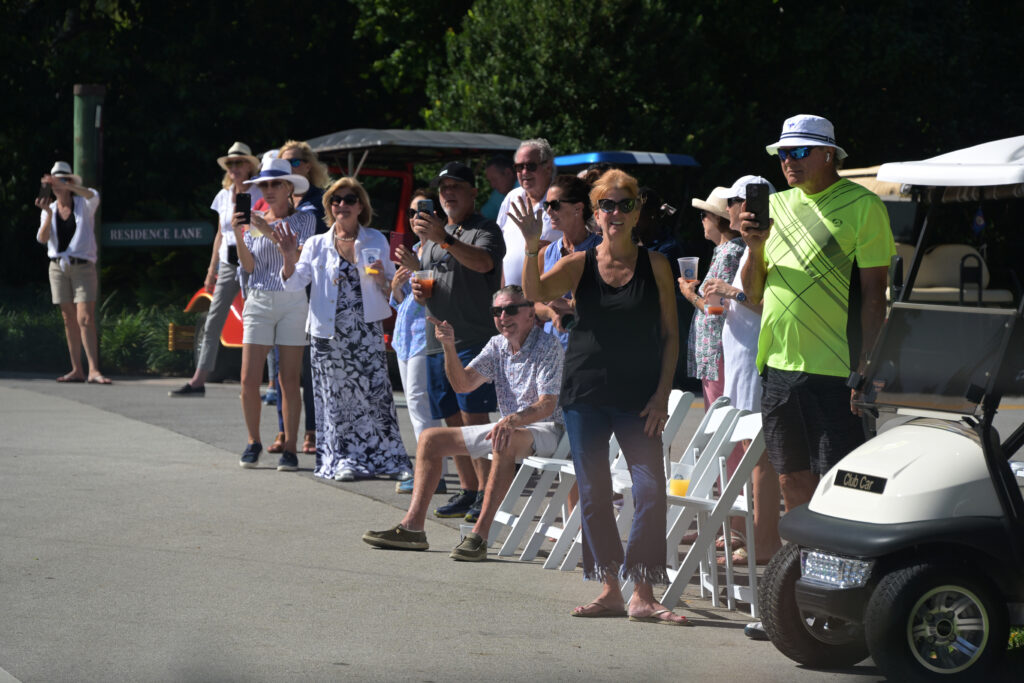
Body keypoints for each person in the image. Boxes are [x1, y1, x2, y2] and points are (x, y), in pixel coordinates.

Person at [515, 169, 691, 625]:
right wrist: (534, 245)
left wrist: (661, 397)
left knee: (652, 491)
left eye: (624, 204)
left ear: (637, 211)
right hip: (585, 393)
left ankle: (644, 593)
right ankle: (613, 590)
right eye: (607, 205)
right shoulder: (580, 262)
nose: (616, 213)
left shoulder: (656, 265)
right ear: (596, 214)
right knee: (593, 493)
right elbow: (534, 292)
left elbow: (671, 335)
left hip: (639, 398)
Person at [741, 115, 893, 512]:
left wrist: (868, 367)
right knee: (790, 479)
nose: (789, 161)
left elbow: (876, 295)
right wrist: (754, 248)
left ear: (829, 154)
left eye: (800, 152)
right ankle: (799, 571)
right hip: (777, 366)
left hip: (837, 369)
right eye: (783, 154)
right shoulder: (775, 205)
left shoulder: (864, 206)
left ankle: (842, 570)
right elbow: (753, 293)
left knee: (839, 481)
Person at [362, 285, 565, 561]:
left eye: (510, 309)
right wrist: (448, 347)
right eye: (497, 311)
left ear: (530, 313)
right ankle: (413, 528)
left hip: (549, 429)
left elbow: (547, 404)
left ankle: (480, 536)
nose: (503, 316)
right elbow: (463, 384)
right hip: (511, 427)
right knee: (430, 439)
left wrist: (513, 419)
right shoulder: (497, 345)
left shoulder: (547, 345)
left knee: (503, 438)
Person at [278, 176, 411, 481]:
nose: (342, 205)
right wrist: (288, 255)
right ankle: (343, 459)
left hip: (365, 332)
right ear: (329, 207)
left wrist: (383, 280)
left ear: (360, 205)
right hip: (328, 334)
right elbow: (294, 283)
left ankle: (388, 459)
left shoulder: (376, 238)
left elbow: (396, 293)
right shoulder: (315, 244)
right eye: (336, 200)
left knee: (376, 396)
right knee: (336, 399)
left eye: (349, 199)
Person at [398, 161, 505, 522]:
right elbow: (430, 288)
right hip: (436, 338)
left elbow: (483, 264)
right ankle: (469, 489)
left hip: (471, 337)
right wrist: (417, 283)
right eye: (443, 189)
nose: (448, 194)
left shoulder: (484, 229)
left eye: (456, 187)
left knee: (475, 418)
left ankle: (488, 495)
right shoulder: (431, 240)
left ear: (474, 192)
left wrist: (444, 237)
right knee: (450, 417)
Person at [698, 177, 782, 568]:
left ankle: (764, 542)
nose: (729, 208)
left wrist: (729, 293)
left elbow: (770, 304)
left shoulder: (763, 246)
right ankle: (754, 535)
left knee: (758, 455)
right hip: (741, 361)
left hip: (754, 360)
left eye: (732, 200)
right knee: (752, 453)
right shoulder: (751, 248)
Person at [231, 158, 317, 470]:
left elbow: (296, 253)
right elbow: (250, 267)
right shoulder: (255, 220)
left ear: (288, 187)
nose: (267, 190)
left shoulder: (305, 219)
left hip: (293, 299)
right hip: (258, 298)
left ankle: (291, 448)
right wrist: (240, 234)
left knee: (288, 379)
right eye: (264, 184)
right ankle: (253, 441)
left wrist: (263, 228)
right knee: (248, 378)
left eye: (274, 184)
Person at [170, 142, 261, 397]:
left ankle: (273, 384)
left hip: (254, 262)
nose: (235, 168)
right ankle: (198, 381)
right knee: (212, 321)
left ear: (250, 166)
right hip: (228, 263)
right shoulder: (222, 195)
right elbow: (220, 235)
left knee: (261, 321)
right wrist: (211, 269)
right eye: (231, 164)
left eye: (239, 163)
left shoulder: (260, 192)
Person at [267, 140, 331, 457]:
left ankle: (313, 430)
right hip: (280, 290)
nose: (288, 168)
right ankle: (284, 428)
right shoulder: (278, 203)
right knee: (283, 368)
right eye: (283, 163)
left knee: (309, 367)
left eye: (294, 162)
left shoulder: (321, 202)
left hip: (312, 292)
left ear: (307, 166)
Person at [34, 161, 110, 385]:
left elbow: (92, 194)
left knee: (85, 318)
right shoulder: (52, 208)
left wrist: (67, 184)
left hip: (83, 266)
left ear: (70, 182)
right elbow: (43, 238)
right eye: (54, 183)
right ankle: (76, 369)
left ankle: (94, 370)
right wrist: (47, 213)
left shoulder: (84, 204)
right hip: (58, 267)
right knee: (69, 319)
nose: (57, 187)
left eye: (62, 181)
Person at [391, 189, 445, 494]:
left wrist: (416, 269)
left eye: (422, 211)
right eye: (412, 213)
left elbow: (432, 298)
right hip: (406, 338)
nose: (416, 218)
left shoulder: (438, 249)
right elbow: (403, 303)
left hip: (425, 337)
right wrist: (395, 289)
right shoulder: (414, 248)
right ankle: (433, 469)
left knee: (420, 404)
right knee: (419, 405)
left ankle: (430, 473)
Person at [678, 188, 745, 410]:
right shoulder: (730, 251)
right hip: (721, 352)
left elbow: (716, 310)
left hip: (718, 352)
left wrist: (689, 294)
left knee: (720, 422)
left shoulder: (728, 254)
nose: (702, 221)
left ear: (717, 218)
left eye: (703, 215)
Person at [534, 174, 602, 349]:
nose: (548, 211)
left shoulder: (602, 249)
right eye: (546, 205)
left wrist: (570, 304)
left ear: (578, 208)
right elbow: (536, 304)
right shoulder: (545, 253)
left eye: (554, 205)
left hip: (594, 349)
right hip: (552, 352)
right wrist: (551, 312)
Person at [496, 138, 562, 286]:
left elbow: (581, 244)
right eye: (519, 167)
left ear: (548, 167)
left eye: (531, 166)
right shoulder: (512, 198)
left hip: (550, 298)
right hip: (513, 301)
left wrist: (552, 249)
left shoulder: (562, 198)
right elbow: (499, 247)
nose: (524, 172)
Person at [479, 155, 516, 222]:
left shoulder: (526, 189)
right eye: (490, 181)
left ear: (508, 173)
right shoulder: (498, 194)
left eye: (494, 179)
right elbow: (482, 218)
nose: (492, 185)